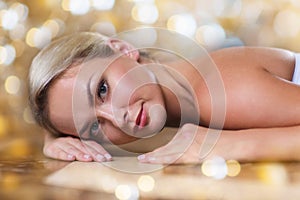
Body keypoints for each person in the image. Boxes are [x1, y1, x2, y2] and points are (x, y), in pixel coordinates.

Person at [29, 31, 300, 164]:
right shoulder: (185, 89)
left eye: (102, 89)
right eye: (95, 127)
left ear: (123, 49)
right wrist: (53, 139)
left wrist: (228, 146)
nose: (117, 117)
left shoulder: (218, 94)